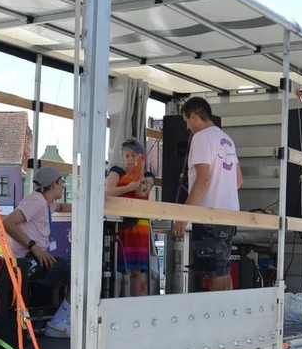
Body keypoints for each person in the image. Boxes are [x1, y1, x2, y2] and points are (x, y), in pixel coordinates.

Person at [172, 96, 244, 292]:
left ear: (194, 116)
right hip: (230, 214)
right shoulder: (227, 139)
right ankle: (227, 315)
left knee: (214, 271)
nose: (187, 128)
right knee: (223, 267)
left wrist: (183, 215)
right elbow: (238, 180)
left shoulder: (201, 138)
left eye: (187, 121)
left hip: (210, 215)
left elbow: (202, 179)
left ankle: (217, 319)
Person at [2, 166, 73, 338]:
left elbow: (62, 206)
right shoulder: (36, 201)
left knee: (71, 267)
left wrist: (90, 204)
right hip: (26, 260)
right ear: (54, 184)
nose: (63, 185)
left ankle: (61, 319)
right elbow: (8, 222)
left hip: (33, 257)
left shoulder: (47, 203)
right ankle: (58, 323)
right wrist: (34, 246)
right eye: (62, 182)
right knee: (78, 272)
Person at [105, 138, 156, 296]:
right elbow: (108, 191)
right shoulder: (117, 171)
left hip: (139, 225)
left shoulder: (147, 175)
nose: (130, 159)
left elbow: (143, 192)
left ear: (141, 157)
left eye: (134, 155)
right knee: (116, 266)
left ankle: (135, 301)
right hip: (120, 223)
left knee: (136, 270)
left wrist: (138, 172)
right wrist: (129, 186)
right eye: (127, 156)